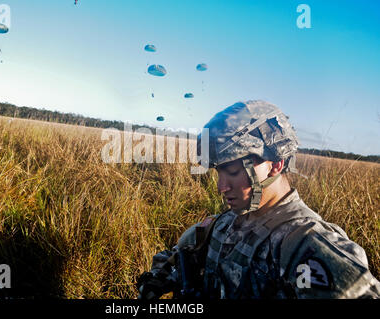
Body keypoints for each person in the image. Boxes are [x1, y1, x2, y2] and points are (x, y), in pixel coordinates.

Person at [137, 100, 380, 299]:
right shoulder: (222, 224)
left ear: (275, 164)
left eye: (233, 172)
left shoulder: (305, 244)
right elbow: (177, 259)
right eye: (218, 172)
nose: (222, 187)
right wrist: (155, 282)